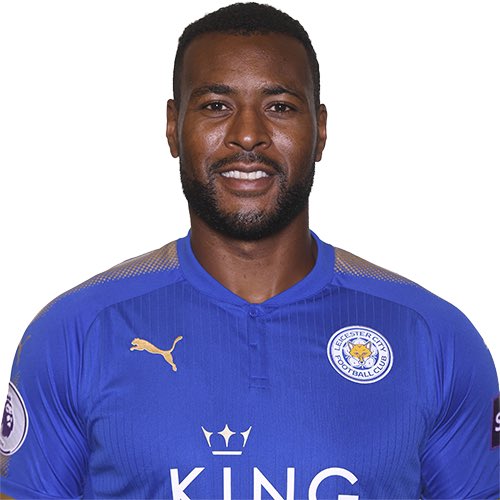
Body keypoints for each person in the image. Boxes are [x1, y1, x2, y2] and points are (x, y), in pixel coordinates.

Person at [0, 2, 498, 498]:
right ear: (173, 126)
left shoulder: (433, 337)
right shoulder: (75, 333)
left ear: (320, 131)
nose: (247, 135)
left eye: (279, 106)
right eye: (216, 105)